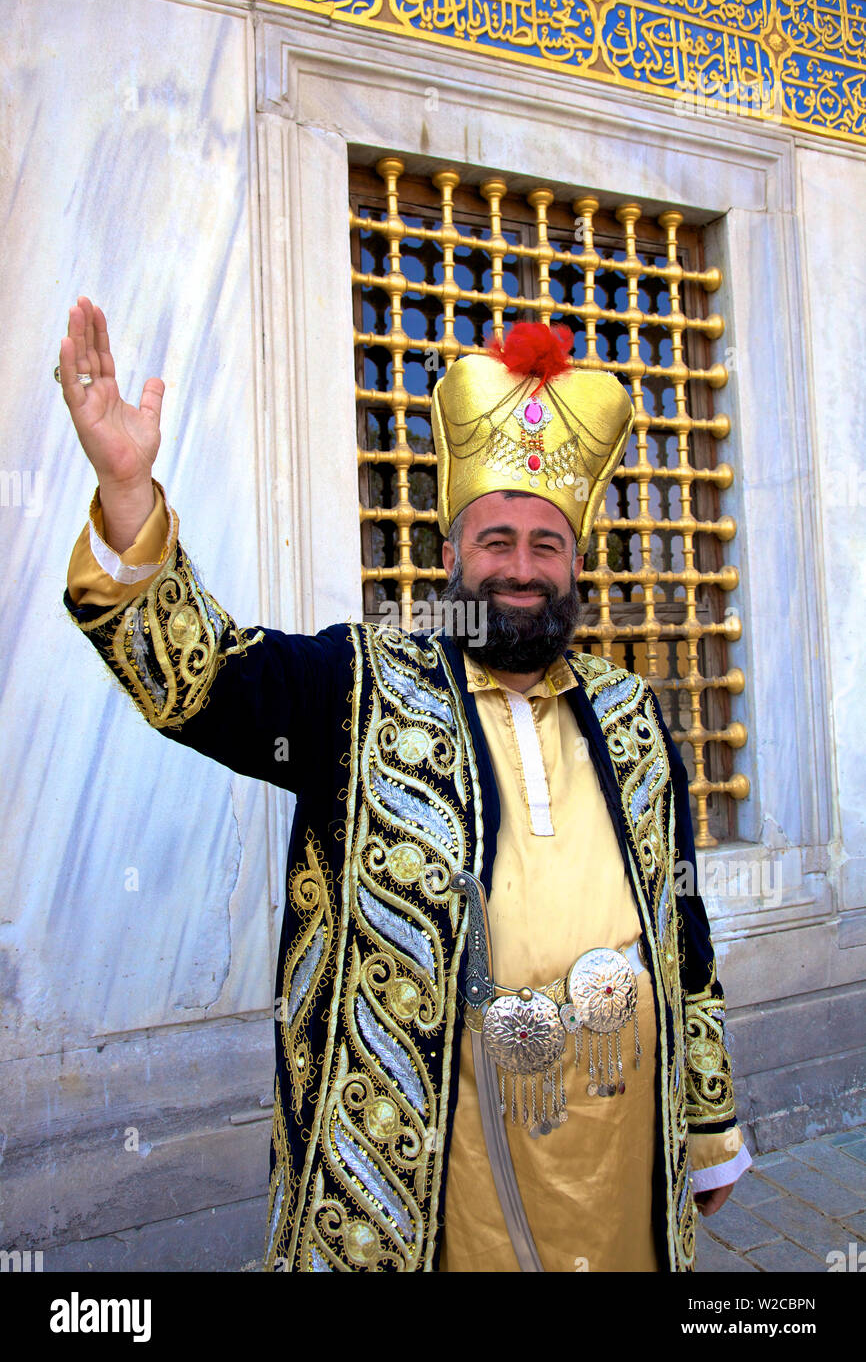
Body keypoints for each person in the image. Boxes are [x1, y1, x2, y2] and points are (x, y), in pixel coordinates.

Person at [59, 298, 750, 1273]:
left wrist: (709, 1123)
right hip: (426, 1203)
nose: (519, 567)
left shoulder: (633, 714)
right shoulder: (357, 691)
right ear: (448, 557)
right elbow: (200, 681)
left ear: (576, 564)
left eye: (544, 544)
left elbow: (681, 928)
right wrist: (130, 495)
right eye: (494, 540)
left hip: (620, 1182)